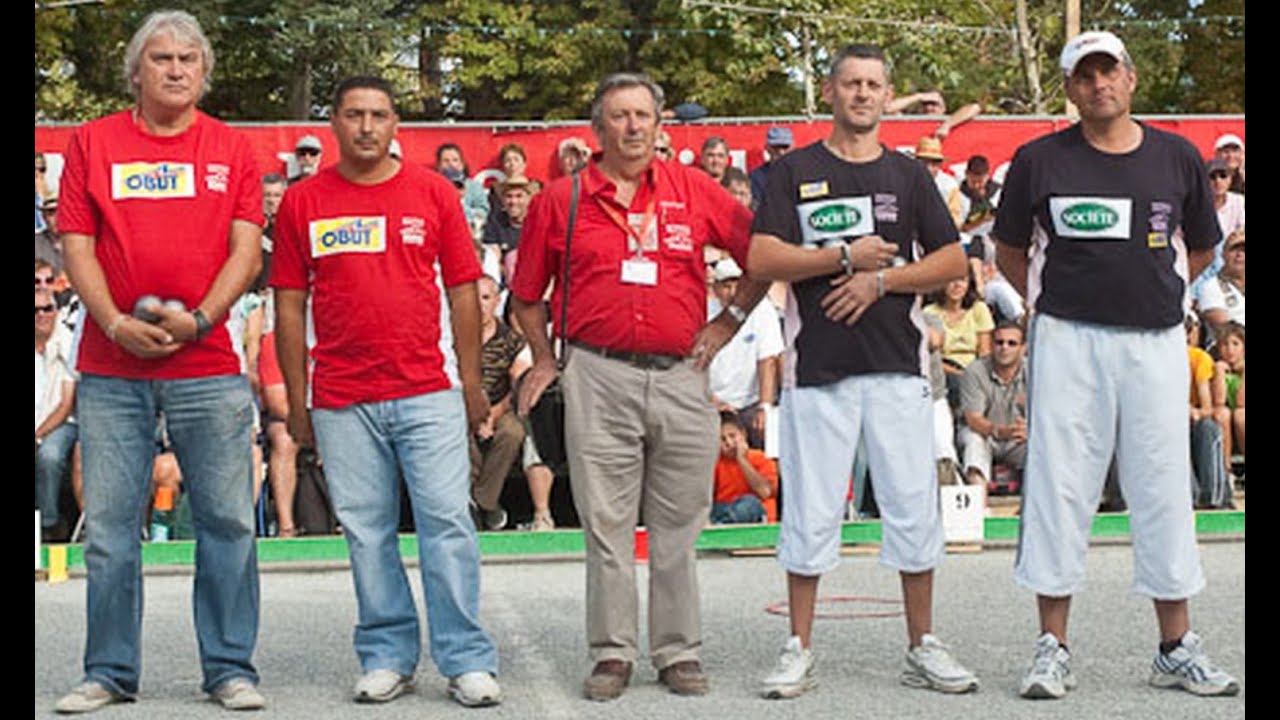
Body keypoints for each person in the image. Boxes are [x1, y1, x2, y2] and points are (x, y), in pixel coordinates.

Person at [993, 30, 1239, 699]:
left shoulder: (1177, 156)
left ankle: (1175, 645)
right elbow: (1009, 249)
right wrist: (1050, 300)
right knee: (1059, 484)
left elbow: (1198, 250)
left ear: (1130, 79)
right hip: (1069, 340)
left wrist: (1161, 290)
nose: (1098, 85)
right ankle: (1052, 647)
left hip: (1155, 341)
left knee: (1161, 482)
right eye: (1084, 76)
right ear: (1070, 88)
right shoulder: (1039, 159)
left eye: (1110, 72)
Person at [510, 71, 770, 701]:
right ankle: (613, 653)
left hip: (683, 374)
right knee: (607, 522)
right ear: (598, 131)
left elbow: (762, 253)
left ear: (660, 127)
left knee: (680, 523)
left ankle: (678, 651)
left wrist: (728, 320)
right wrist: (544, 358)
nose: (631, 127)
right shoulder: (561, 199)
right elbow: (525, 295)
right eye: (618, 117)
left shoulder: (695, 190)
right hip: (598, 371)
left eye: (642, 116)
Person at [746, 43, 978, 699]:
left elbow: (951, 264)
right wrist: (842, 257)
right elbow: (763, 257)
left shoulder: (908, 177)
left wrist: (881, 283)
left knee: (912, 509)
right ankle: (797, 647)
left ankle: (922, 644)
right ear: (830, 92)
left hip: (897, 369)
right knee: (812, 512)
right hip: (816, 368)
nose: (862, 94)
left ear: (887, 94)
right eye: (851, 83)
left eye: (874, 84)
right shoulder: (794, 172)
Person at [54, 10, 267, 712]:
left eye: (188, 60)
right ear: (136, 71)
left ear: (204, 72)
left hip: (206, 363)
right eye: (162, 59)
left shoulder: (233, 149)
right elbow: (76, 245)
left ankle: (231, 667)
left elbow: (246, 248)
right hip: (113, 365)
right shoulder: (91, 142)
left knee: (230, 522)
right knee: (113, 531)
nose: (176, 70)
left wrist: (202, 318)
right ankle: (109, 671)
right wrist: (113, 321)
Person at [271, 75, 502, 708]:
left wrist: (472, 382)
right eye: (353, 115)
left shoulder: (432, 193)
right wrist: (297, 400)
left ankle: (466, 659)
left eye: (378, 114)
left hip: (427, 390)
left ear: (397, 123)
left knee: (447, 524)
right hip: (341, 397)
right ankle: (386, 655)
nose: (367, 126)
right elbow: (287, 305)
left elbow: (463, 290)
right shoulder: (303, 202)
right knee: (367, 532)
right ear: (334, 125)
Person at [469, 275, 529, 531]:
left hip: (500, 405)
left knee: (513, 431)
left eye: (485, 298)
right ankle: (476, 504)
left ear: (496, 301)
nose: (480, 305)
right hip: (460, 406)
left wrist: (493, 414)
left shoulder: (512, 341)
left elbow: (518, 385)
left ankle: (481, 501)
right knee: (455, 431)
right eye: (473, 299)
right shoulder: (453, 338)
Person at [707, 257, 783, 449]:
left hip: (751, 401)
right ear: (715, 289)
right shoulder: (704, 313)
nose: (733, 292)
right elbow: (694, 365)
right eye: (726, 286)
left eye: (738, 285)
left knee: (768, 435)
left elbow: (768, 359)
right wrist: (714, 401)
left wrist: (765, 406)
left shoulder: (762, 309)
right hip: (712, 402)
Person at [956, 321, 1027, 507]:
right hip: (984, 434)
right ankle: (979, 511)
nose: (1004, 348)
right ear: (991, 345)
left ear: (1023, 348)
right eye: (999, 342)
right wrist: (1000, 431)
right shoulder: (975, 370)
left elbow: (1047, 416)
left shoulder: (1034, 371)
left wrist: (1031, 431)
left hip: (1019, 438)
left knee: (1043, 446)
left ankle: (1034, 512)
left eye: (1012, 343)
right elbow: (973, 420)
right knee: (973, 440)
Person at [36, 285, 78, 543]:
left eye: (47, 309)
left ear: (56, 311)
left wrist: (37, 435)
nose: (41, 314)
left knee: (49, 456)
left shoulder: (67, 343)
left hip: (60, 423)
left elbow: (65, 404)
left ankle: (49, 525)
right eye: (35, 310)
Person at [923, 266, 994, 407]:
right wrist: (959, 373)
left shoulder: (979, 309)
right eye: (951, 280)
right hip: (943, 369)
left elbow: (984, 351)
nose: (957, 285)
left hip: (973, 368)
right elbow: (933, 357)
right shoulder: (929, 312)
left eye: (962, 280)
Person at [1187, 158, 1244, 302]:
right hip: (1204, 254)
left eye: (1223, 176)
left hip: (1232, 252)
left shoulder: (1239, 201)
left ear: (1230, 179)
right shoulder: (1195, 204)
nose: (1218, 181)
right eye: (1212, 177)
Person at [711, 411, 778, 523]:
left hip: (755, 511)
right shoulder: (717, 462)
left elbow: (765, 492)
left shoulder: (760, 457)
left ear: (743, 434)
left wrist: (742, 459)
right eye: (722, 439)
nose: (729, 442)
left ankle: (721, 523)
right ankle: (722, 522)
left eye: (732, 436)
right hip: (725, 508)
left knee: (748, 504)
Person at [1196, 229, 1244, 335]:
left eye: (1244, 250)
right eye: (1234, 249)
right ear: (1223, 254)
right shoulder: (1211, 287)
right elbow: (1226, 329)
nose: (1239, 254)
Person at [1211, 323, 1245, 471]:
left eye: (1235, 344)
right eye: (1225, 344)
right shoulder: (1216, 367)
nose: (1230, 350)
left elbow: (1241, 402)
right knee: (1222, 413)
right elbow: (1218, 401)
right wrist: (1219, 372)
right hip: (1227, 427)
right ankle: (1225, 469)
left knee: (1240, 415)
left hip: (1241, 423)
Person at [435, 142, 490, 228]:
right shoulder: (433, 187)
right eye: (446, 161)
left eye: (455, 160)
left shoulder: (474, 187)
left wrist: (460, 204)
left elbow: (483, 214)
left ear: (462, 165)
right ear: (439, 166)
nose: (451, 164)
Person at [889, 89, 982, 139]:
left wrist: (947, 125)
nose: (929, 108)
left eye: (934, 104)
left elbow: (975, 108)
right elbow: (888, 109)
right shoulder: (911, 124)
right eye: (925, 104)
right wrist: (919, 96)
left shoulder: (952, 121)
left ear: (943, 108)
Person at [749, 126, 794, 207]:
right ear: (767, 148)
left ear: (792, 147)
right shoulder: (756, 177)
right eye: (776, 147)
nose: (781, 152)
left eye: (785, 147)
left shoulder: (802, 173)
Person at [915, 136, 959, 204]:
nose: (928, 168)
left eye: (934, 164)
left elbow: (954, 213)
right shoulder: (905, 182)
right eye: (924, 163)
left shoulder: (949, 186)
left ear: (940, 165)